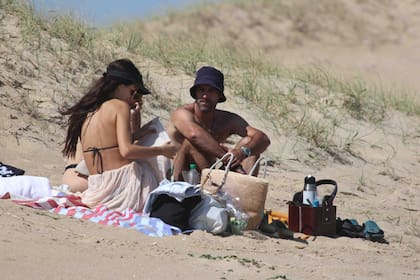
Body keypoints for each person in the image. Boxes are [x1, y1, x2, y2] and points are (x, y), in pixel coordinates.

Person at [60, 58, 177, 212]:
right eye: (133, 92)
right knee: (157, 159)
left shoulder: (89, 112)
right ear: (120, 86)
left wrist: (137, 123)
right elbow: (126, 150)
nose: (133, 98)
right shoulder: (119, 106)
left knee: (148, 140)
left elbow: (110, 146)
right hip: (124, 190)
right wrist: (162, 150)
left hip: (98, 190)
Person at [167, 66, 270, 181]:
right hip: (181, 178)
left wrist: (243, 152)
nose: (205, 96)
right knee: (189, 143)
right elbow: (193, 134)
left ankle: (242, 191)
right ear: (195, 93)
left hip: (212, 175)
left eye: (211, 91)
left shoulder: (226, 120)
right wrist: (228, 158)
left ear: (219, 96)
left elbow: (263, 139)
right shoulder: (182, 113)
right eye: (201, 90)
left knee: (249, 143)